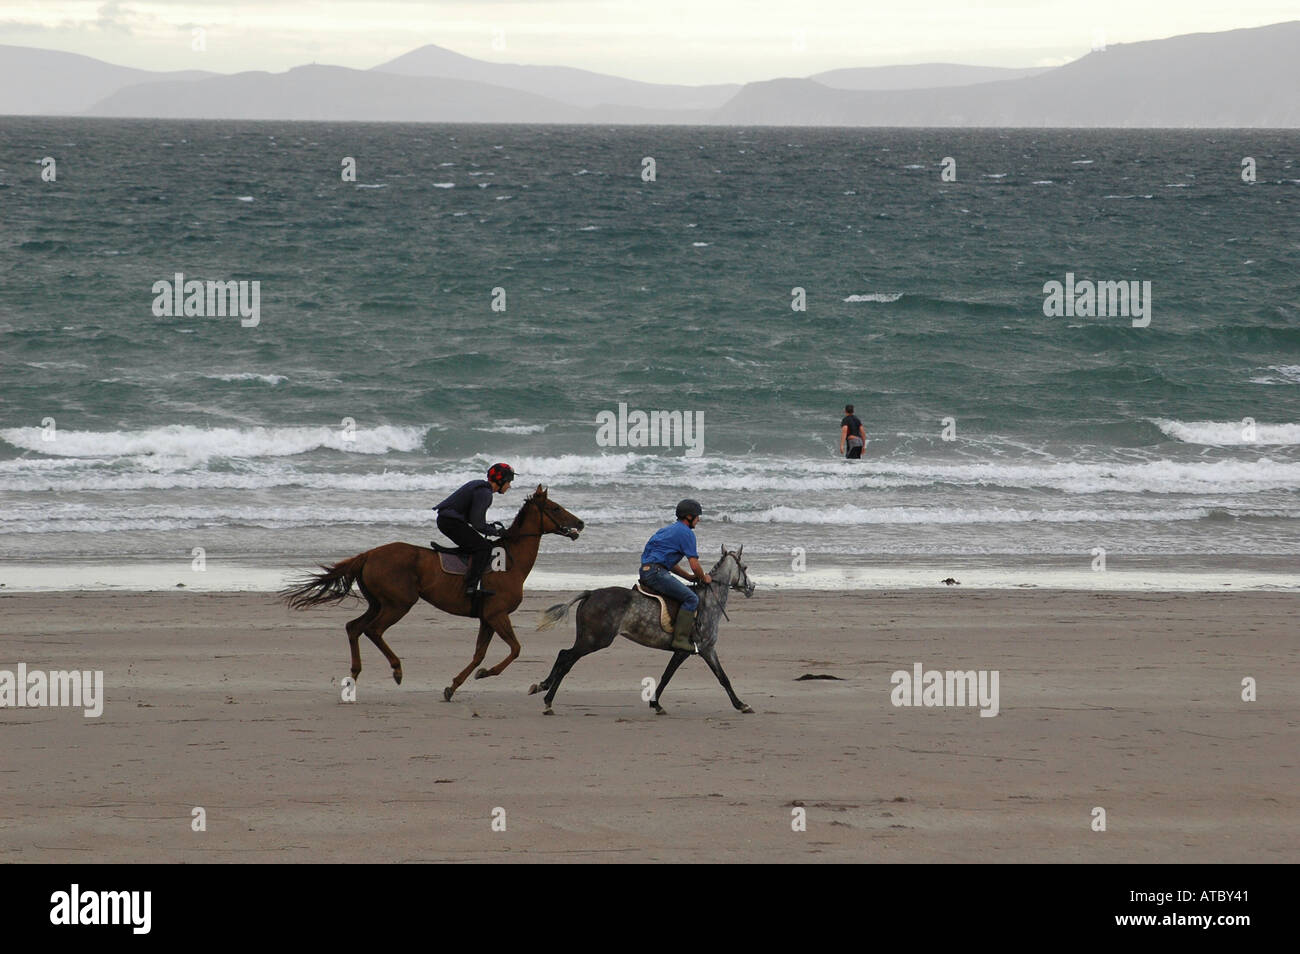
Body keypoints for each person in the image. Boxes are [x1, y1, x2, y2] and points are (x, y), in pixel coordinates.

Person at [639, 499, 711, 653]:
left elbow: (668, 563)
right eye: (697, 516)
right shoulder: (687, 533)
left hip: (647, 571)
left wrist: (689, 578)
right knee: (692, 598)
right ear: (689, 517)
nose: (698, 520)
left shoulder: (665, 530)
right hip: (657, 573)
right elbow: (694, 564)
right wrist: (703, 577)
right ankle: (680, 640)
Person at [433, 463, 514, 596]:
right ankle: (470, 587)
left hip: (447, 520)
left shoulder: (481, 487)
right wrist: (497, 532)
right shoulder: (485, 493)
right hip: (451, 522)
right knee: (484, 548)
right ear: (501, 481)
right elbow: (478, 525)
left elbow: (473, 518)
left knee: (478, 544)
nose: (509, 486)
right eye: (509, 482)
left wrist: (490, 528)